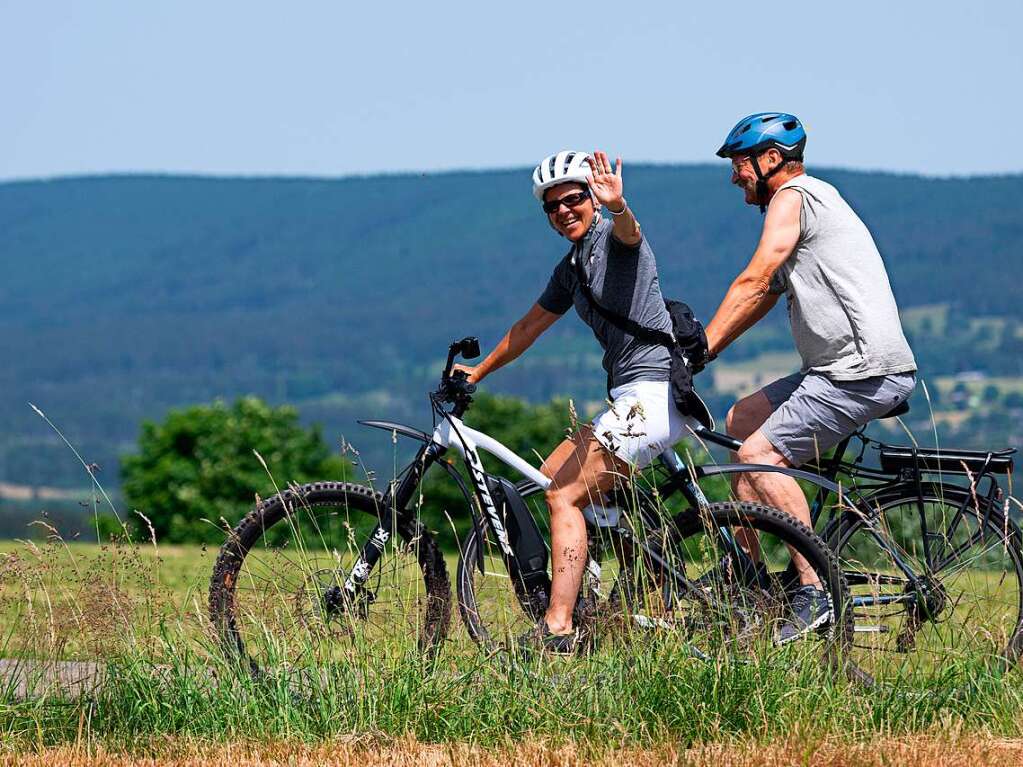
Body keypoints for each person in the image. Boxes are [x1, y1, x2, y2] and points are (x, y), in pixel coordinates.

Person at [454, 149, 686, 654]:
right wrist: (478, 372)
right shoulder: (571, 268)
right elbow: (529, 327)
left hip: (652, 394)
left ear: (593, 200)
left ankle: (559, 626)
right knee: (550, 478)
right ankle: (615, 598)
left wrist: (619, 206)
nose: (564, 211)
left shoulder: (613, 240)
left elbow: (631, 233)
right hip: (630, 396)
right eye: (553, 206)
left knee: (564, 496)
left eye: (574, 199)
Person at [704, 113, 917, 642]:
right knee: (742, 418)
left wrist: (697, 349)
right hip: (833, 371)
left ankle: (816, 589)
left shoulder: (793, 197)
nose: (734, 177)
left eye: (739, 164)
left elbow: (754, 278)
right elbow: (767, 293)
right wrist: (703, 352)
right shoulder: (800, 203)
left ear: (771, 159)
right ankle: (745, 574)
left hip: (859, 372)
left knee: (760, 454)